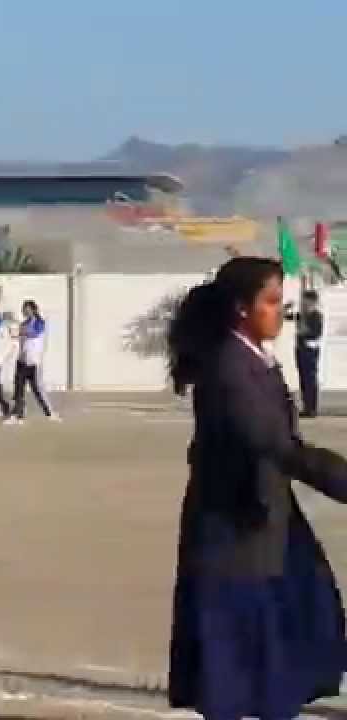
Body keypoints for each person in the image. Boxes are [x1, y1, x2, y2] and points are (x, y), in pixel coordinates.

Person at [166, 256, 347, 720]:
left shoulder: (253, 358)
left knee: (294, 629)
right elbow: (276, 444)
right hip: (234, 529)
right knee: (239, 654)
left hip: (264, 517)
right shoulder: (229, 368)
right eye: (270, 301)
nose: (279, 312)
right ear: (242, 308)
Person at [9, 300, 56, 424]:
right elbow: (17, 335)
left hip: (34, 362)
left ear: (33, 310)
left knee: (37, 389)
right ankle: (18, 415)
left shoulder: (40, 323)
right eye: (23, 309)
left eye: (27, 309)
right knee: (18, 389)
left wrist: (18, 330)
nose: (25, 311)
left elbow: (33, 333)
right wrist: (16, 330)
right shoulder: (23, 324)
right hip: (22, 360)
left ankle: (50, 413)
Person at [292, 290, 323, 418]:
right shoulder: (301, 315)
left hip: (310, 350)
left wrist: (303, 332)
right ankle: (306, 406)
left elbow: (316, 333)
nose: (303, 303)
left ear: (312, 301)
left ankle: (312, 408)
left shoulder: (316, 315)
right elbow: (287, 316)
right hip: (300, 349)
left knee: (310, 378)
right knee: (303, 378)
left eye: (305, 300)